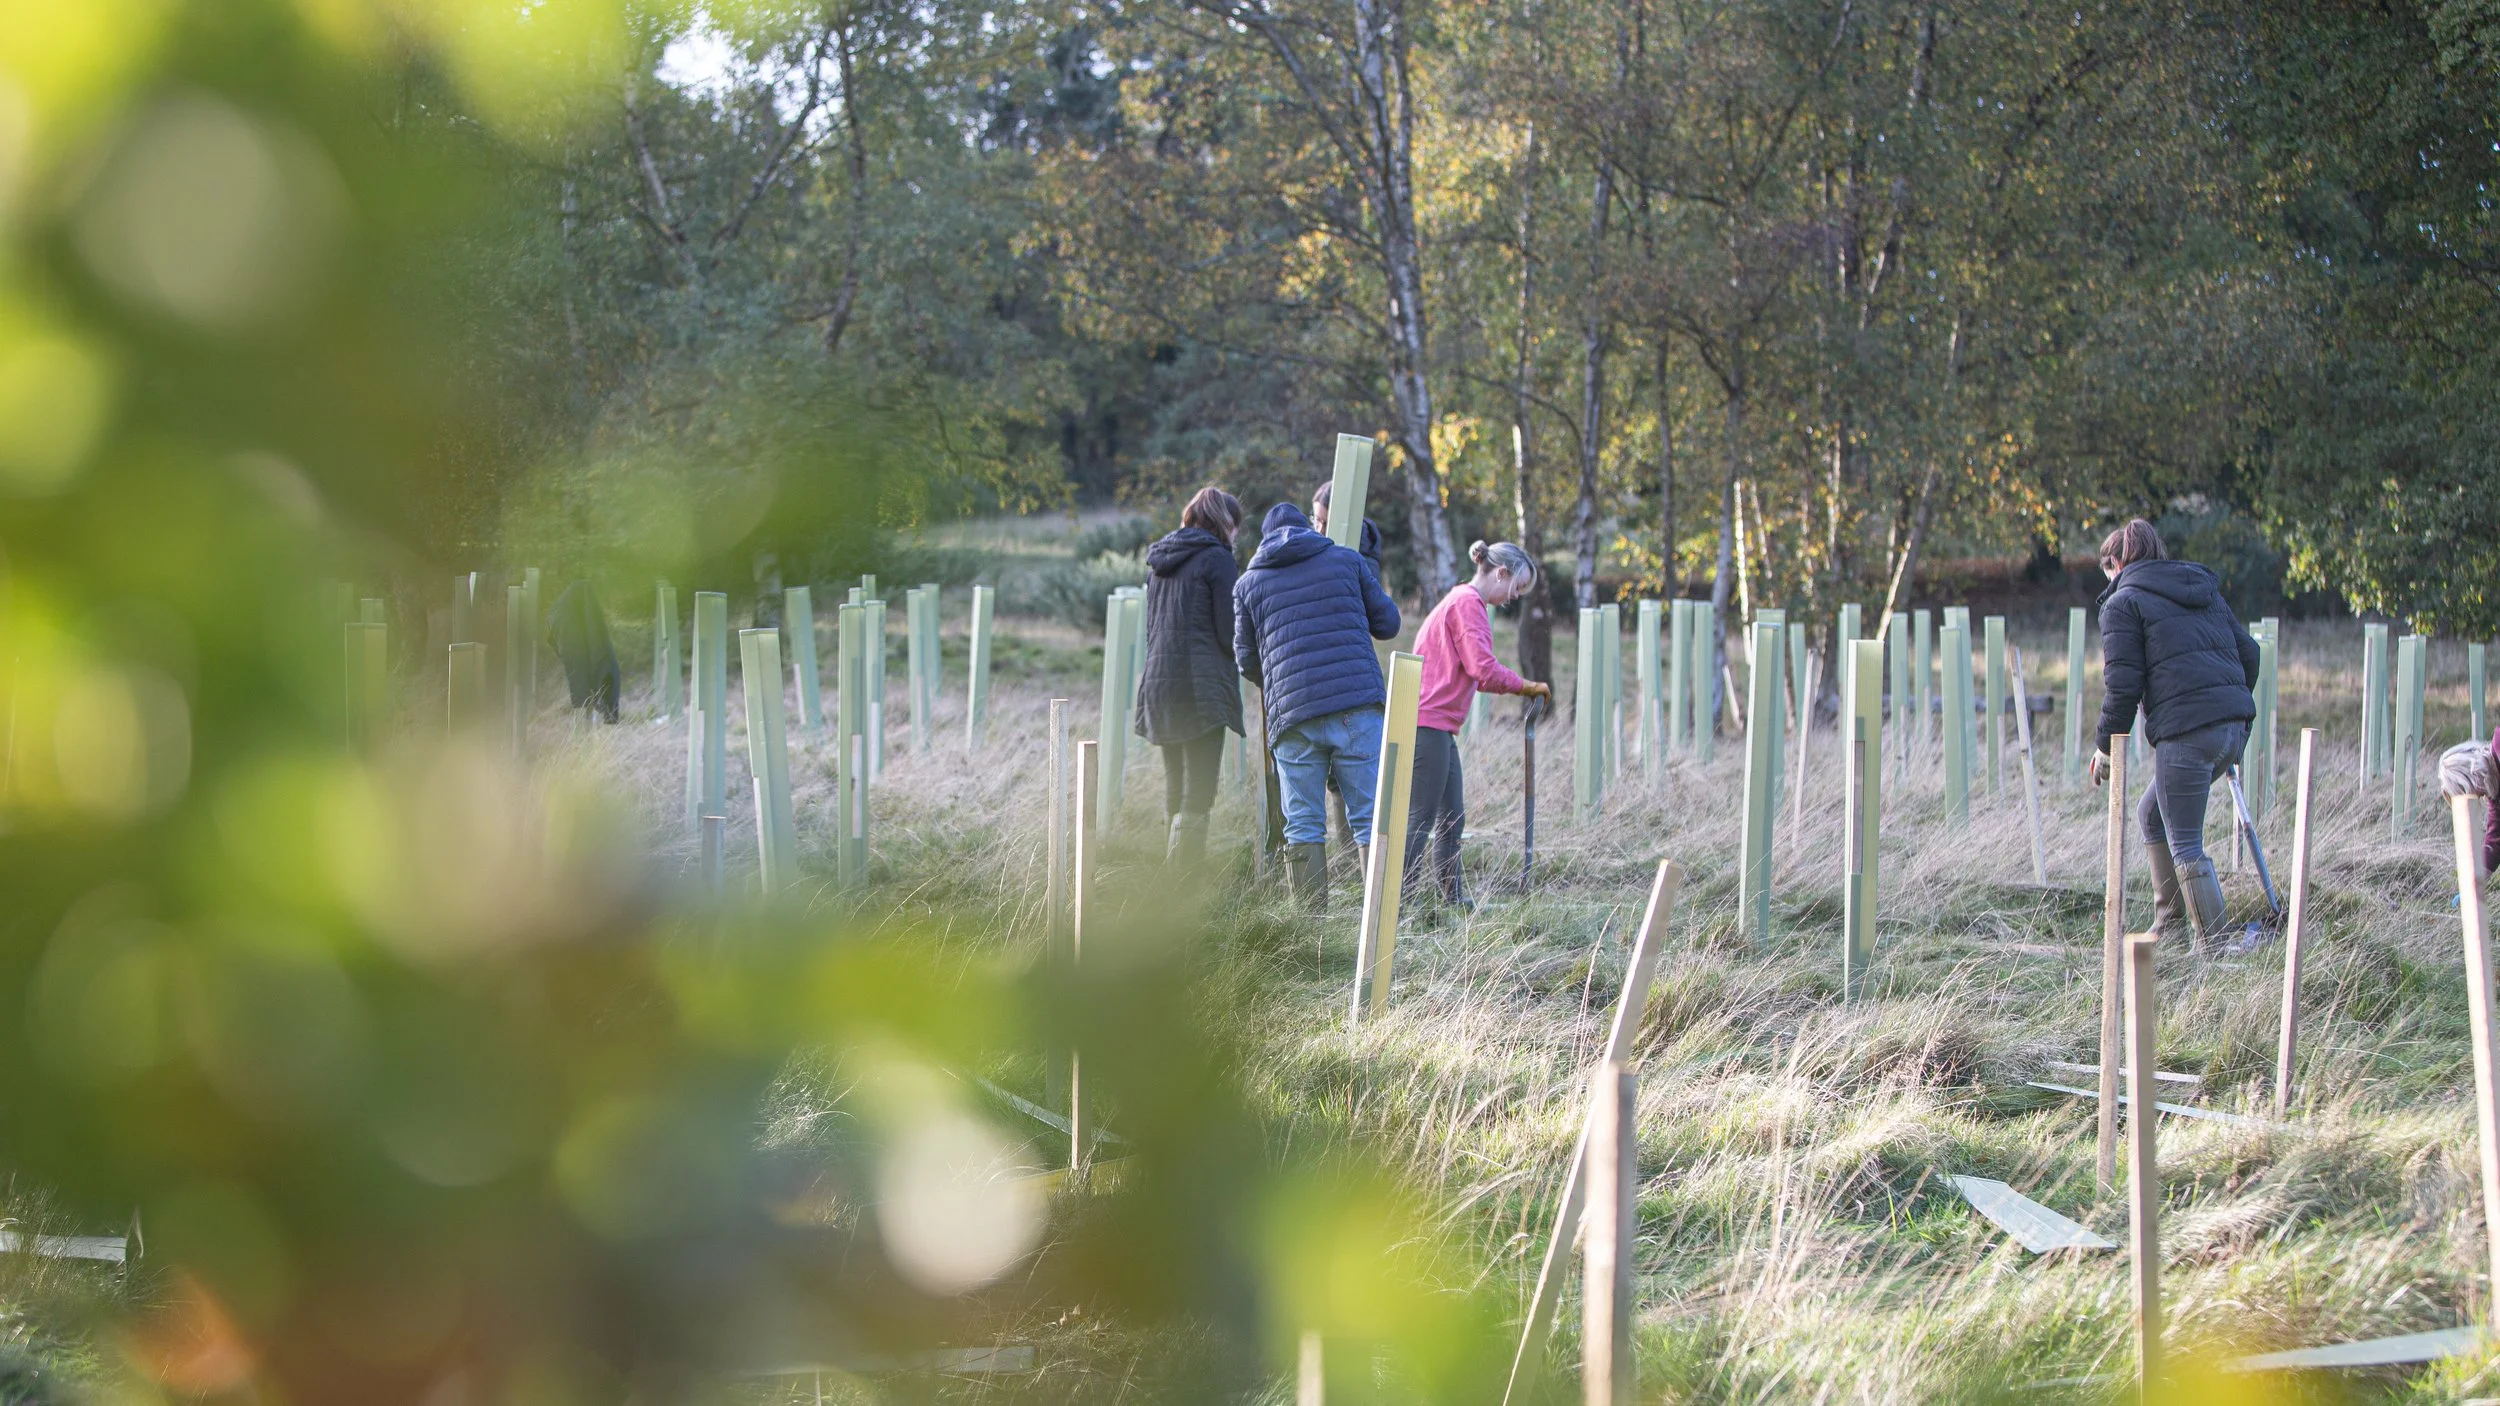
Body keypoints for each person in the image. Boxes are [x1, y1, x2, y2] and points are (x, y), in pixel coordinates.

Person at [2087, 518, 2260, 951]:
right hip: (2233, 728)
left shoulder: (2123, 603)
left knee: (2186, 843)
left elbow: (2123, 685)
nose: (2107, 581)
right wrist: (2227, 705)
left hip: (2188, 733)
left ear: (2118, 562)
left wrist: (2105, 747)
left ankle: (2217, 948)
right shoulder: (2200, 589)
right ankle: (2171, 924)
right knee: (2152, 815)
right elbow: (2250, 653)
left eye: (2107, 571)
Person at [1234, 502, 1401, 907]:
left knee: (1304, 822)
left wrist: (1282, 685)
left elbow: (1245, 660)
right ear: (1307, 527)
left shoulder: (1247, 585)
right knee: (1369, 817)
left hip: (1292, 718)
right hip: (1356, 706)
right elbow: (1389, 623)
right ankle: (1376, 921)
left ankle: (1311, 929)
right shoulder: (1346, 560)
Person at [1405, 541, 1550, 909]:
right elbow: (1482, 670)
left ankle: (1452, 900)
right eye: (1516, 588)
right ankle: (1397, 908)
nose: (1512, 598)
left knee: (1452, 818)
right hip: (1426, 722)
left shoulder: (1462, 600)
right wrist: (1525, 686)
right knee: (1420, 820)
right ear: (1501, 573)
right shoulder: (1468, 603)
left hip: (1438, 725)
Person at [1134, 487, 1244, 864]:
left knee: (1175, 783)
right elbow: (1228, 634)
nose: (1237, 536)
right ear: (1223, 522)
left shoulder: (1161, 561)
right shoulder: (1218, 560)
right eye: (1236, 527)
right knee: (1200, 786)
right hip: (1200, 689)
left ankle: (1172, 884)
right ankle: (1185, 878)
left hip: (1160, 683)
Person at [545, 579, 620, 723]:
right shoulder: (570, 616)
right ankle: (584, 723)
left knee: (584, 675)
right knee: (583, 673)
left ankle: (585, 720)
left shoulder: (565, 611)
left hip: (570, 631)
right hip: (572, 635)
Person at [2439, 732, 2500, 881]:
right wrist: (2474, 884)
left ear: (2471, 779)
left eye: (2468, 794)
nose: (2478, 798)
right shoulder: (2494, 789)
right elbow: (2495, 838)